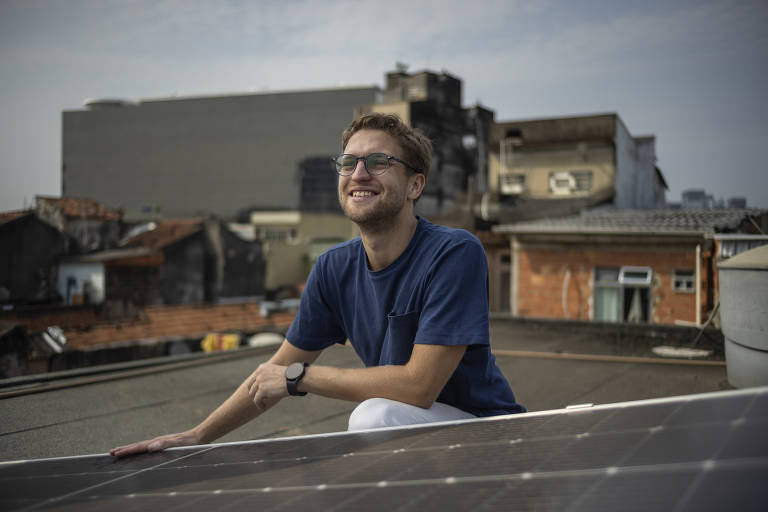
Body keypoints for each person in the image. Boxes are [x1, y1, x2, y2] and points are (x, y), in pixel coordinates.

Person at [110, 113, 524, 458]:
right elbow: (271, 372)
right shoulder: (332, 269)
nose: (358, 173)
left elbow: (418, 387)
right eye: (348, 163)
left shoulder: (454, 252)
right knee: (376, 417)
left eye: (378, 161)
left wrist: (299, 378)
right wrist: (195, 436)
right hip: (420, 444)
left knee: (373, 416)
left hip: (491, 436)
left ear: (415, 185)